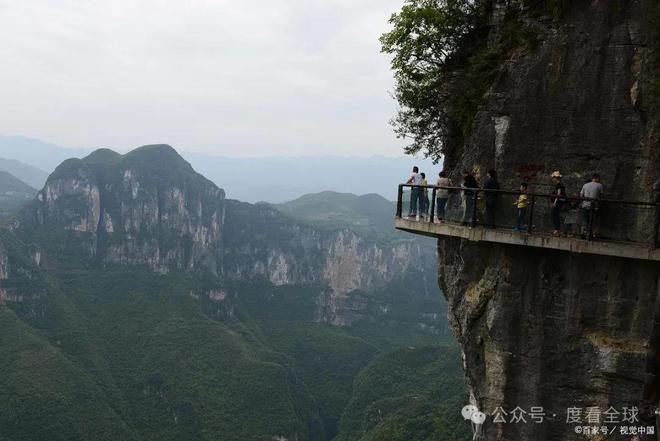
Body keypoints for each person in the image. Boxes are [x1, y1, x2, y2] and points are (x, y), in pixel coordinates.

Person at [579, 173, 604, 239]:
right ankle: (592, 234)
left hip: (585, 205)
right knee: (593, 221)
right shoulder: (599, 185)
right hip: (594, 206)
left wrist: (582, 202)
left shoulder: (585, 185)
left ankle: (583, 233)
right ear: (597, 178)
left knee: (584, 220)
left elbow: (581, 195)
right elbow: (601, 195)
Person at [550, 171, 567, 237]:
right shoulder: (559, 184)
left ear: (556, 178)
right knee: (555, 215)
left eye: (553, 178)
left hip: (559, 202)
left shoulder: (559, 185)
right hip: (560, 201)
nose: (552, 179)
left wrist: (554, 202)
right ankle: (557, 230)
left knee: (554, 215)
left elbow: (559, 194)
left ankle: (557, 230)